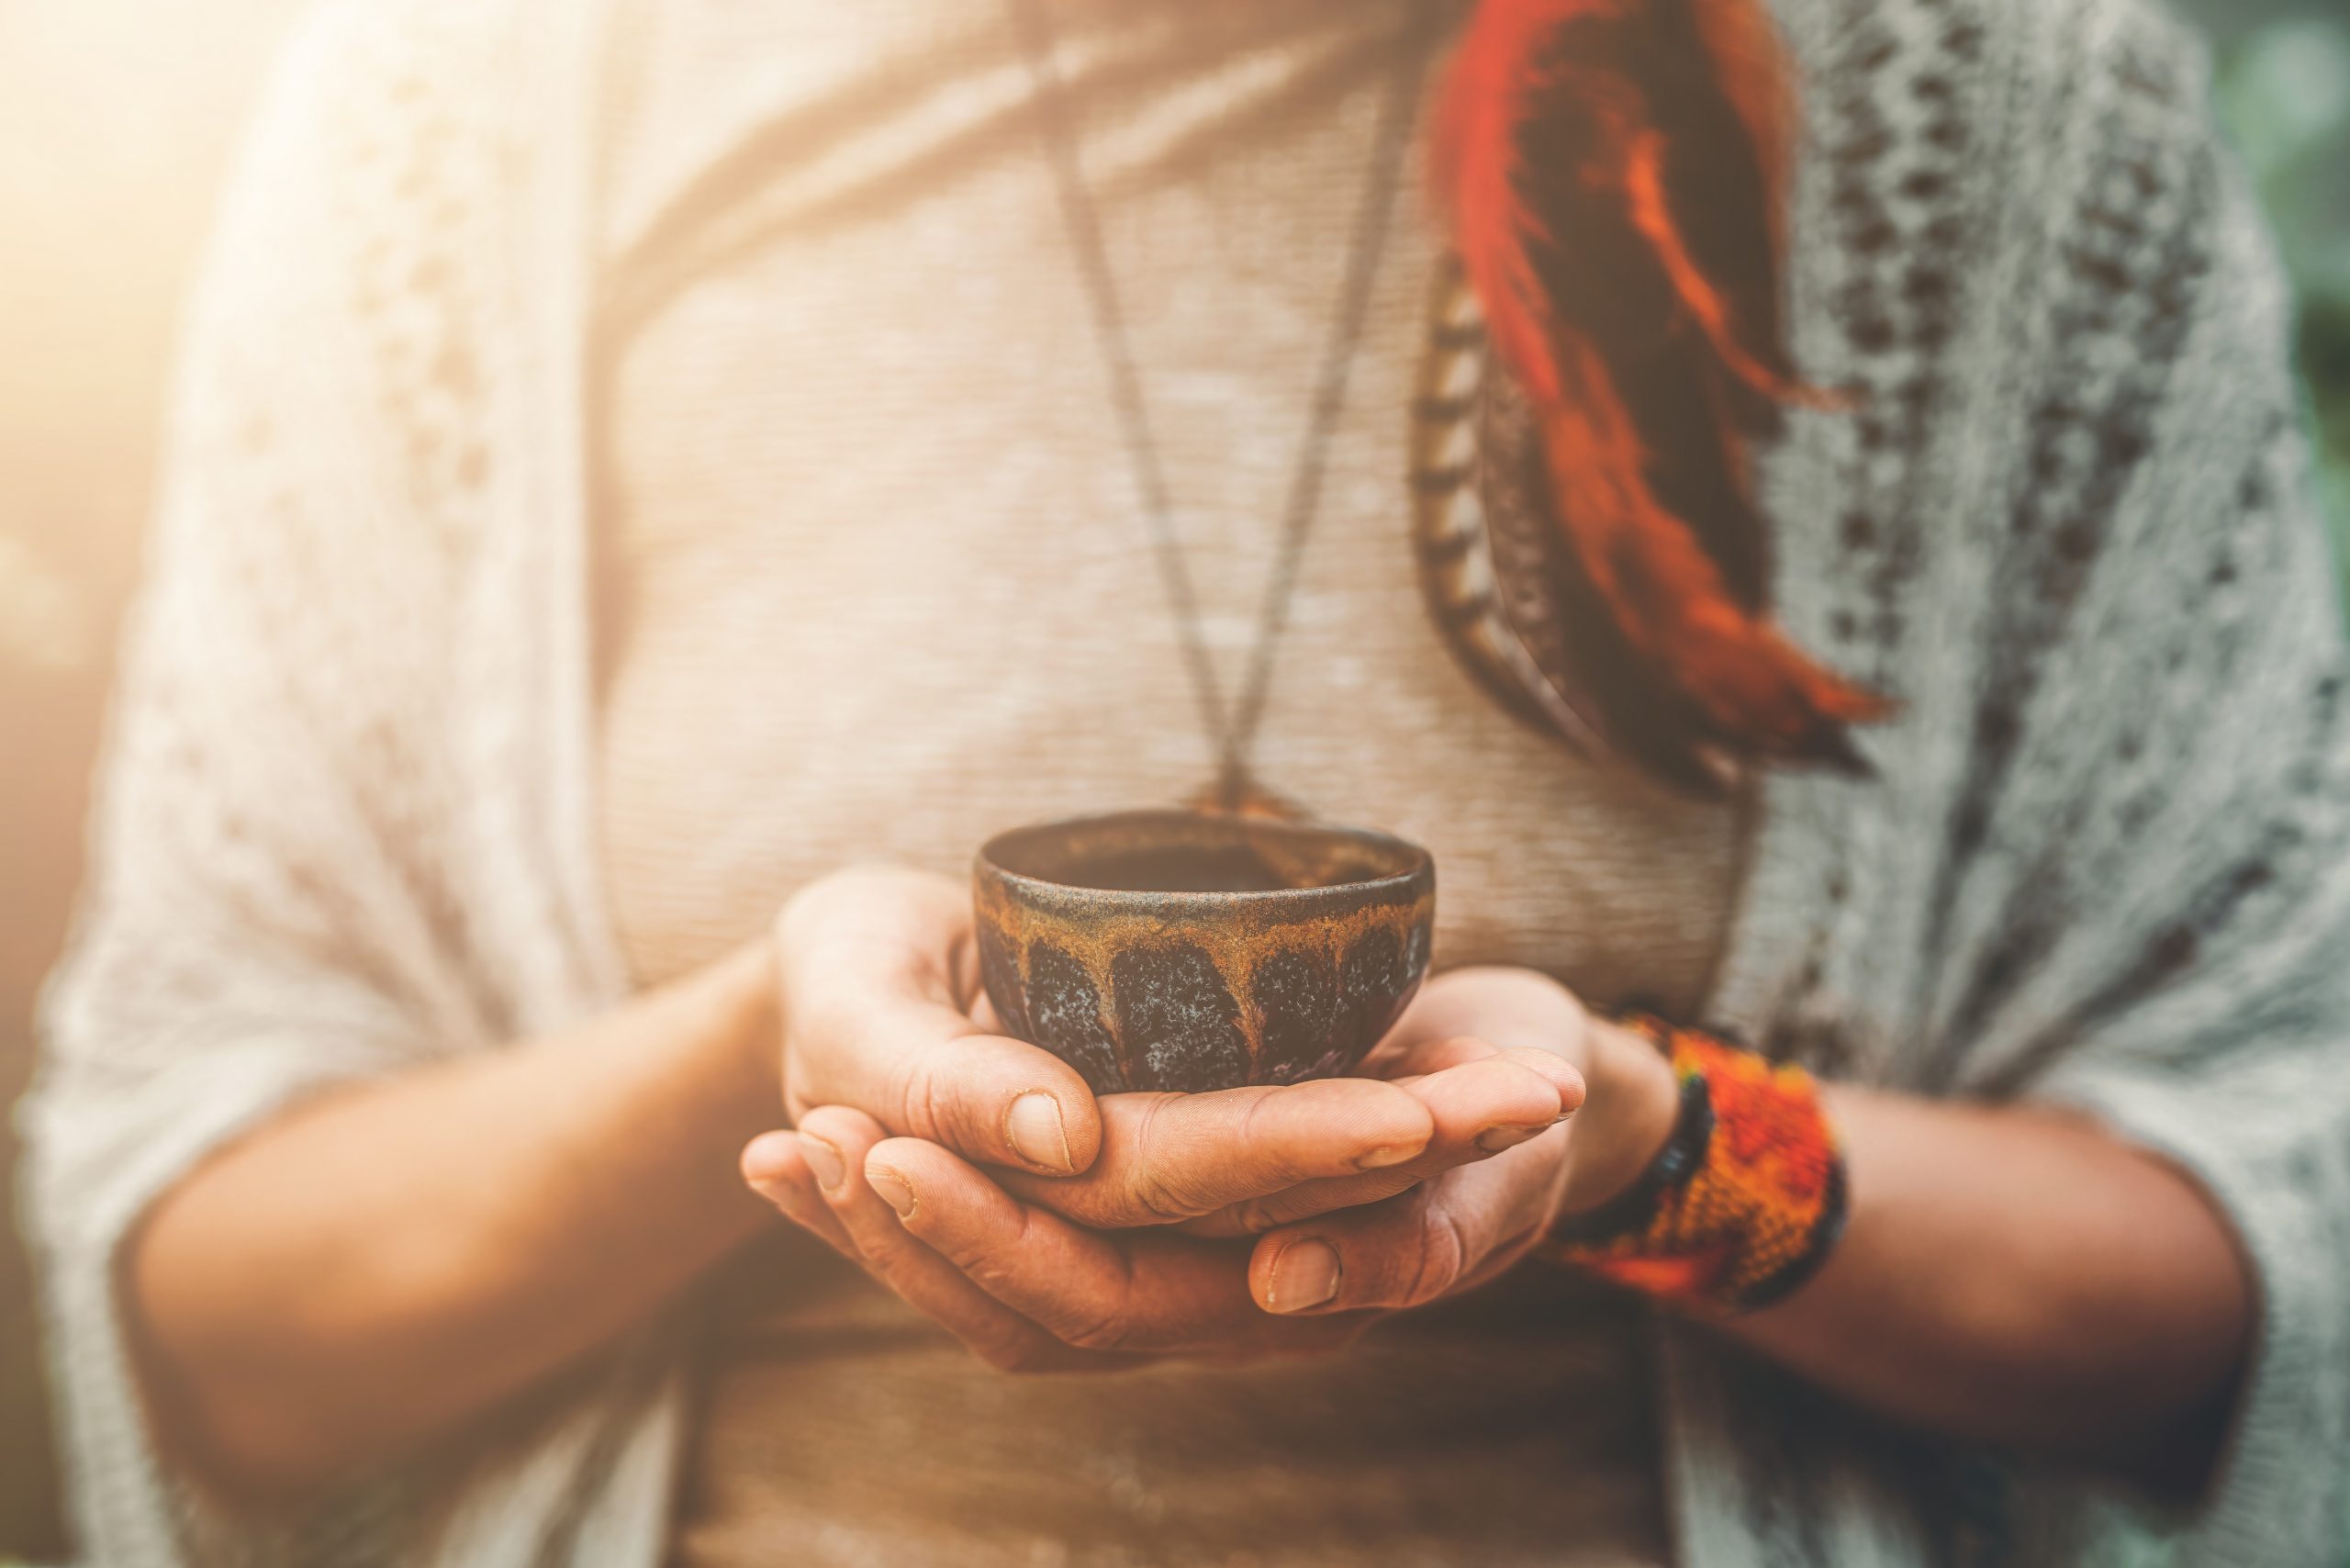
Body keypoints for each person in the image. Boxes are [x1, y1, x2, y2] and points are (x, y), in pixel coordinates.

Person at [23, 0, 2350, 1563]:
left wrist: (1641, 1141)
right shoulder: (470, 102)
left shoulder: (1979, 108)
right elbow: (216, 1300)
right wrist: (761, 1062)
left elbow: (2246, 1256)